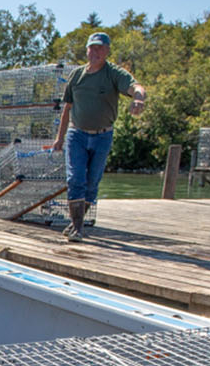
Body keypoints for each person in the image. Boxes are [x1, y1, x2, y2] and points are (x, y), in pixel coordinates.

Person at [51, 32, 146, 242]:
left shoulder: (113, 73)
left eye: (100, 48)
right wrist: (59, 139)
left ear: (107, 50)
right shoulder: (76, 76)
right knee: (75, 179)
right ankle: (78, 228)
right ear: (87, 50)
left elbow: (136, 87)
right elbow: (67, 108)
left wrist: (138, 99)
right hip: (77, 134)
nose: (95, 52)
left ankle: (76, 223)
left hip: (102, 135)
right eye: (92, 47)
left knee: (92, 183)